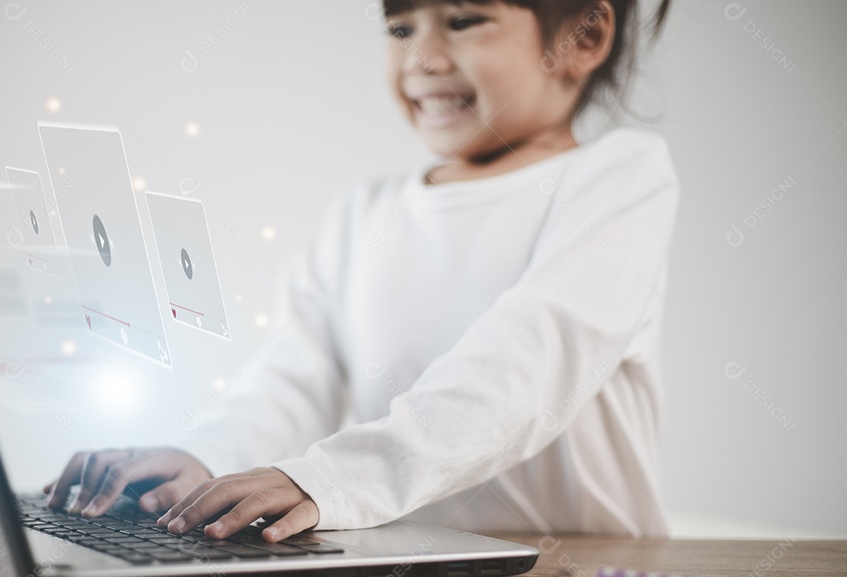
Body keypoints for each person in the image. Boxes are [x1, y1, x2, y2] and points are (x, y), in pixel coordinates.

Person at [45, 0, 678, 544]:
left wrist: (332, 478)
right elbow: (291, 382)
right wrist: (202, 457)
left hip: (590, 575)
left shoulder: (620, 176)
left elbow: (525, 364)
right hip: (420, 569)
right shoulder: (364, 212)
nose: (423, 58)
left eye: (462, 20)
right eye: (401, 28)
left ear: (585, 37)